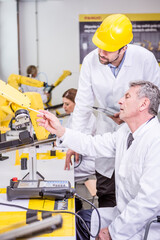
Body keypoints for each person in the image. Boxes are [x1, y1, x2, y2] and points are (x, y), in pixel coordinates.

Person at [37, 81, 160, 240]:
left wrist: (113, 232)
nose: (120, 101)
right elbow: (92, 144)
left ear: (143, 104)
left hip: (145, 225)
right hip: (123, 214)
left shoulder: (155, 141)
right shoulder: (125, 133)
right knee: (77, 220)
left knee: (78, 226)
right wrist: (60, 131)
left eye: (127, 97)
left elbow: (148, 202)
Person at [64, 13, 160, 208]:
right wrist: (75, 141)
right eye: (99, 46)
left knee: (139, 193)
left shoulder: (145, 59)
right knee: (106, 191)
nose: (101, 52)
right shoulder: (91, 61)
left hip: (138, 134)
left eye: (108, 50)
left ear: (124, 48)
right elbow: (82, 103)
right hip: (107, 128)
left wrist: (130, 120)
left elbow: (155, 101)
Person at [62, 88, 97, 210]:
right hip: (78, 158)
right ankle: (72, 205)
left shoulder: (89, 118)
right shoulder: (73, 117)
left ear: (77, 103)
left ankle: (71, 208)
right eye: (63, 104)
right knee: (61, 172)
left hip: (87, 161)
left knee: (62, 174)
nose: (64, 107)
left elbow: (82, 142)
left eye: (67, 104)